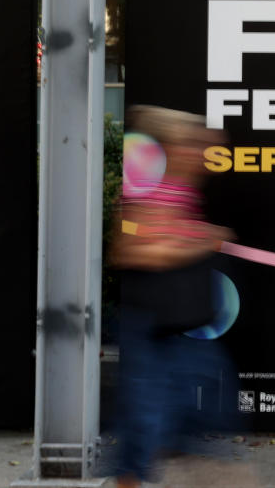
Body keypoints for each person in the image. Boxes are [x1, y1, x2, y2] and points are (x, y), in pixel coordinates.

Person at [109, 105, 234, 488]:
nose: (204, 156)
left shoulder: (182, 189)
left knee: (203, 420)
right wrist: (204, 239)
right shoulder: (145, 187)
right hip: (147, 326)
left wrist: (192, 236)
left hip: (182, 324)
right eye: (193, 147)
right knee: (144, 425)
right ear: (173, 149)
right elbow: (137, 252)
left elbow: (166, 243)